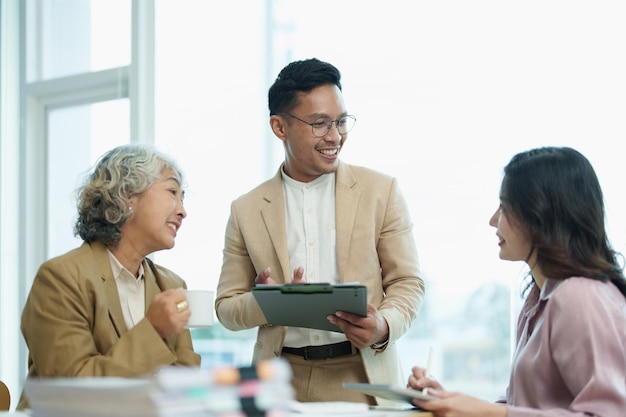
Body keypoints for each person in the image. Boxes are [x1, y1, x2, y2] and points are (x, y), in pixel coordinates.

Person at [215, 58, 425, 404]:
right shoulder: (246, 210)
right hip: (280, 383)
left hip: (364, 378)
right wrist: (269, 304)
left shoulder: (381, 191)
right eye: (319, 124)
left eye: (341, 122)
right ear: (279, 127)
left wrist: (383, 325)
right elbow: (225, 308)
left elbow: (408, 283)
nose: (335, 136)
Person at [408, 146, 626, 416]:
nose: (493, 221)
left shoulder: (579, 296)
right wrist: (450, 401)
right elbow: (526, 407)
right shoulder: (540, 299)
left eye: (504, 207)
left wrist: (489, 414)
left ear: (540, 214)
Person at [17, 144, 200, 410]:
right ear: (126, 195)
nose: (183, 211)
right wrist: (154, 330)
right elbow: (73, 390)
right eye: (172, 192)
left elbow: (184, 384)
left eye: (183, 198)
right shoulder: (60, 278)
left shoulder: (172, 285)